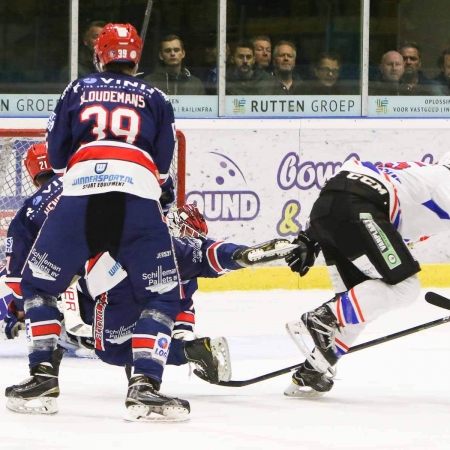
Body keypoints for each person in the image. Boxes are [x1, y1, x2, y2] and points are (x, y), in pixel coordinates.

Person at [5, 23, 190, 422]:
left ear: (99, 54)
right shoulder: (158, 97)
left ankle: (42, 376)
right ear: (136, 57)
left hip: (81, 197)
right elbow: (161, 169)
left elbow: (54, 158)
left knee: (37, 285)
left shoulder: (77, 89)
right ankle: (144, 385)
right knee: (161, 296)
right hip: (136, 198)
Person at [283, 155, 450, 398]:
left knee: (361, 302)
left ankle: (315, 366)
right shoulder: (443, 186)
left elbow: (347, 181)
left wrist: (311, 235)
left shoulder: (426, 175)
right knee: (404, 288)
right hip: (361, 208)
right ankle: (322, 318)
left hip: (332, 208)